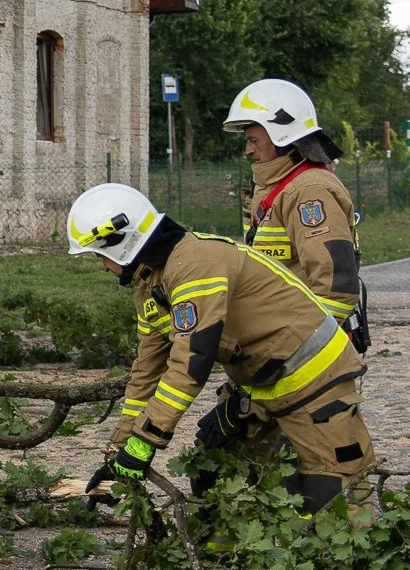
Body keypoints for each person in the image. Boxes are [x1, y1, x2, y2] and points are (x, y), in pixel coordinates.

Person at [71, 181, 377, 515]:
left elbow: (192, 361)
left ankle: (348, 561)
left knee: (327, 491)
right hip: (261, 381)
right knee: (215, 474)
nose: (101, 265)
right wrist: (118, 456)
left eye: (100, 254)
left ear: (121, 242)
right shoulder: (148, 284)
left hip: (317, 378)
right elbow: (146, 374)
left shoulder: (194, 265)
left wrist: (145, 442)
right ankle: (225, 565)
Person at [182, 80, 366, 484]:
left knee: (326, 477)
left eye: (253, 137)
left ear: (283, 132)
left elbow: (336, 286)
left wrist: (299, 360)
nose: (247, 148)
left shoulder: (309, 190)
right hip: (271, 360)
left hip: (303, 363)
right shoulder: (273, 190)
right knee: (231, 470)